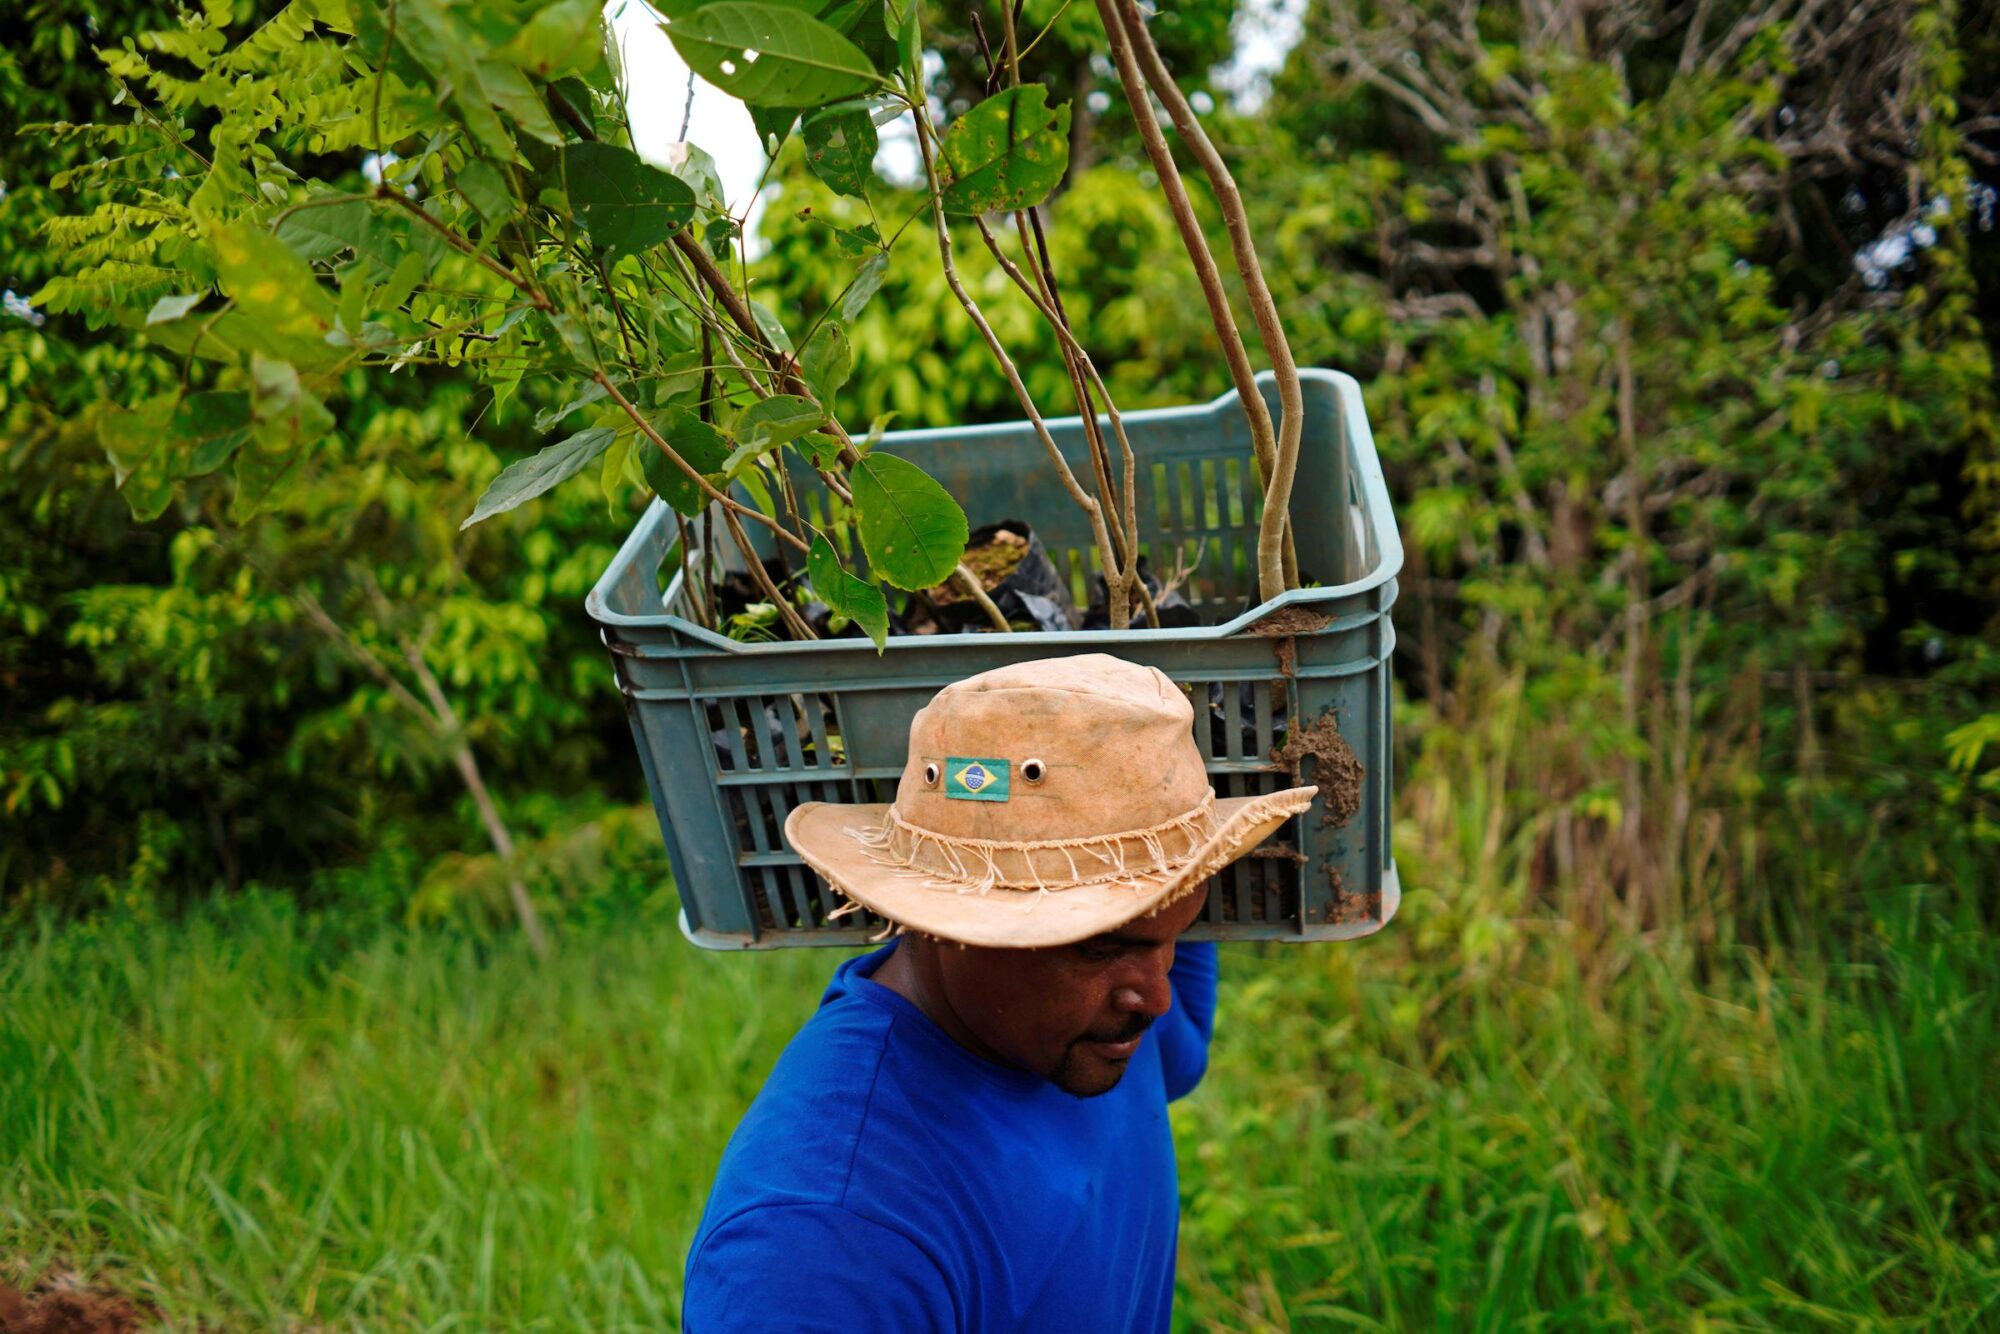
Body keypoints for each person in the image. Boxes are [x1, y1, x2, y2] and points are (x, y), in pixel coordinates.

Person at [680, 654, 1316, 1332]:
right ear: (949, 919)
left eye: (1175, 929)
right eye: (1100, 942)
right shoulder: (824, 1245)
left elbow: (1177, 1053)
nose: (1156, 999)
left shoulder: (1104, 1022)